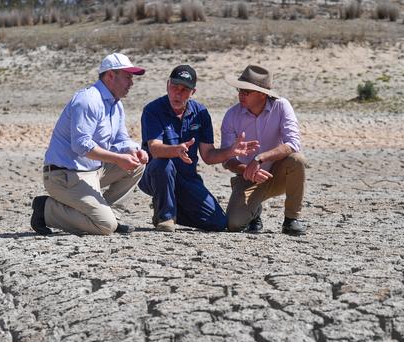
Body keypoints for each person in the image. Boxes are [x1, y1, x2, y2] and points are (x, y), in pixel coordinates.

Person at [30, 53, 149, 236]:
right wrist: (118, 158)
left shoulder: (116, 105)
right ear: (110, 76)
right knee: (104, 227)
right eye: (127, 77)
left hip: (92, 172)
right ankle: (46, 209)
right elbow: (81, 145)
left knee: (137, 164)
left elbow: (120, 140)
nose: (131, 83)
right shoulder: (88, 100)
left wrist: (135, 150)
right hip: (63, 176)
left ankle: (109, 213)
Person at [138, 65, 259, 232]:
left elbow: (208, 156)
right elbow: (154, 149)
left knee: (218, 223)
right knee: (163, 164)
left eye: (184, 89)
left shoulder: (200, 112)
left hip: (187, 178)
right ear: (167, 85)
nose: (178, 93)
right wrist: (175, 150)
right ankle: (165, 216)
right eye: (174, 87)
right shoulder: (153, 110)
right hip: (155, 176)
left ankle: (166, 206)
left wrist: (230, 152)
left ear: (193, 92)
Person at [221, 65, 307, 236]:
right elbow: (227, 159)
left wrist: (260, 158)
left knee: (297, 160)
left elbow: (293, 144)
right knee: (233, 224)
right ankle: (254, 213)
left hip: (278, 174)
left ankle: (291, 219)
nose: (240, 94)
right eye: (240, 90)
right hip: (247, 178)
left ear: (262, 94)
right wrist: (248, 171)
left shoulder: (282, 106)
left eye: (247, 91)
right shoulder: (231, 115)